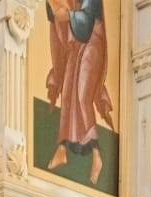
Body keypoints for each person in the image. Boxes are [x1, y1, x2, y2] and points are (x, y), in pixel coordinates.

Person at [45, 0, 113, 187]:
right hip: (75, 44)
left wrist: (68, 15)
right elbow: (55, 16)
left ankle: (97, 156)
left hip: (93, 41)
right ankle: (62, 149)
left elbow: (88, 18)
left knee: (83, 96)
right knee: (67, 94)